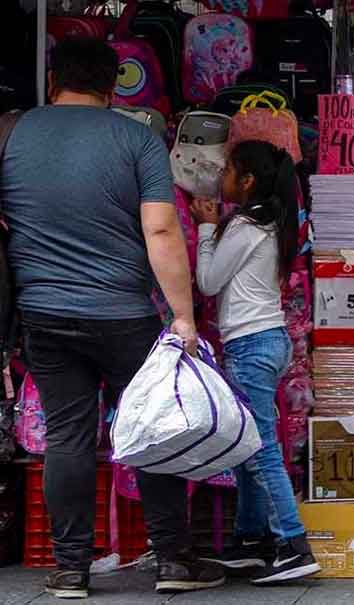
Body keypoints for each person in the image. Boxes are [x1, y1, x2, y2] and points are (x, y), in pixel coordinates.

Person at [1, 38, 222, 598]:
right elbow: (161, 231)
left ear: (54, 80)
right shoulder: (136, 137)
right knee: (152, 430)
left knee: (68, 437)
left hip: (44, 313)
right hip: (124, 314)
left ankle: (70, 567)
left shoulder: (12, 133)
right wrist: (183, 316)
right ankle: (172, 560)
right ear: (110, 84)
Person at [189, 140, 321, 584]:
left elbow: (208, 282)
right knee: (249, 443)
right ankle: (252, 539)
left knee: (261, 448)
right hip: (266, 342)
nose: (221, 176)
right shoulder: (271, 223)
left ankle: (293, 544)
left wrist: (206, 229)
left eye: (228, 169)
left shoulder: (245, 225)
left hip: (251, 345)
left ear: (246, 181)